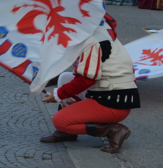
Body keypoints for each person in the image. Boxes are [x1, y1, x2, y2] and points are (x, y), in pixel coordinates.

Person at [40, 20, 139, 154]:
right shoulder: (98, 28)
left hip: (113, 102)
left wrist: (58, 94)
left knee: (59, 121)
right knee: (65, 78)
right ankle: (67, 133)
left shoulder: (91, 40)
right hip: (115, 93)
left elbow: (86, 79)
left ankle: (112, 130)